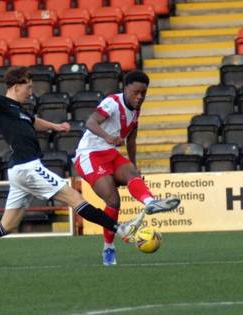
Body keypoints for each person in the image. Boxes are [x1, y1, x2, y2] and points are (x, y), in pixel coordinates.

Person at [0, 66, 143, 272]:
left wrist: (56, 127)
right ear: (16, 86)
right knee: (75, 198)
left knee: (6, 225)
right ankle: (121, 229)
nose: (31, 91)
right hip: (27, 167)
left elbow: (34, 121)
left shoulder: (19, 109)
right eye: (28, 87)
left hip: (21, 170)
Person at [73, 70, 180, 266]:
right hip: (89, 154)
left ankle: (150, 203)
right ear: (126, 89)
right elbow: (90, 122)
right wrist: (108, 137)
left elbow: (132, 138)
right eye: (136, 92)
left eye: (143, 94)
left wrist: (134, 165)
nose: (139, 97)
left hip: (110, 153)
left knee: (131, 173)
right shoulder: (112, 102)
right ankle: (108, 248)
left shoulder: (136, 110)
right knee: (113, 200)